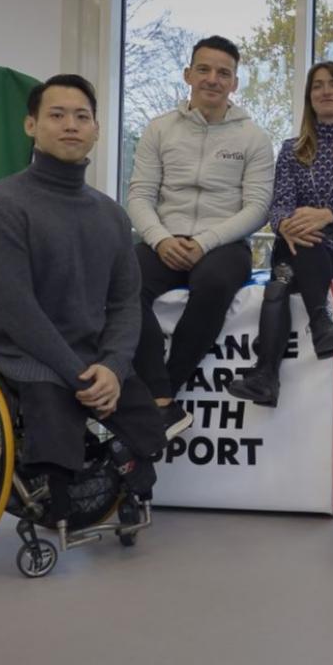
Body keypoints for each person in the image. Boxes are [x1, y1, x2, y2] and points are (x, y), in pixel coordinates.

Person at [0, 75, 166, 520]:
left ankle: (125, 486)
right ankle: (52, 503)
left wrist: (111, 367)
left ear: (95, 129)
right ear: (31, 125)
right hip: (25, 352)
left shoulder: (111, 216)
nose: (70, 125)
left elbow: (124, 304)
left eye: (81, 116)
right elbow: (16, 313)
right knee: (53, 414)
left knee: (145, 422)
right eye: (56, 115)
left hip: (93, 355)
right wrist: (81, 377)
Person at [127, 35, 274, 434]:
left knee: (212, 282)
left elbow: (257, 208)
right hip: (163, 238)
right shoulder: (159, 129)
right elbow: (139, 195)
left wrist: (205, 243)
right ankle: (160, 399)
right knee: (124, 285)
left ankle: (163, 392)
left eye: (223, 72)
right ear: (188, 74)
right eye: (204, 70)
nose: (213, 79)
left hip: (224, 245)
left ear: (235, 83)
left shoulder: (254, 139)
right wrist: (159, 239)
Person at [226, 61, 333, 406]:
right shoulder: (291, 149)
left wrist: (324, 215)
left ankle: (266, 374)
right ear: (309, 97)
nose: (325, 91)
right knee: (283, 274)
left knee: (284, 275)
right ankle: (319, 324)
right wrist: (287, 223)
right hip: (297, 242)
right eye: (317, 86)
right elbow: (279, 206)